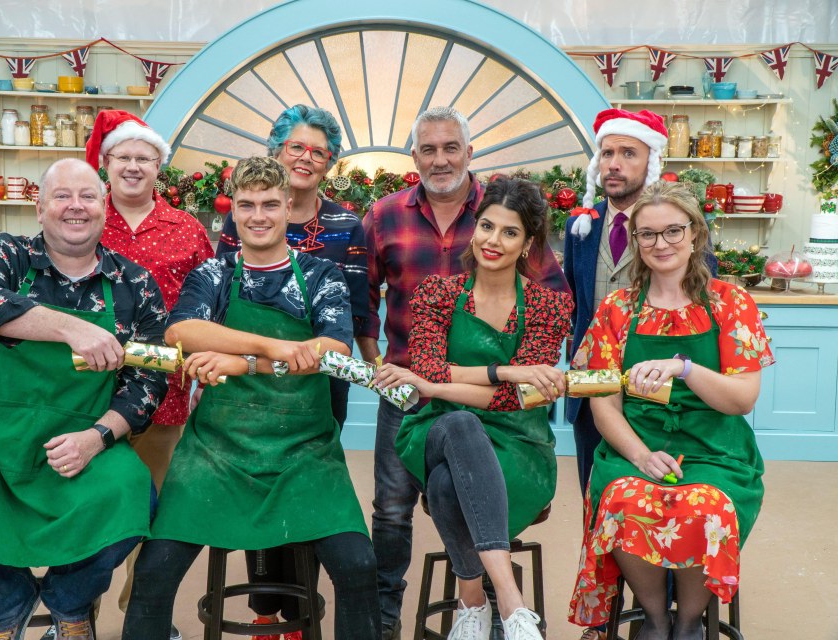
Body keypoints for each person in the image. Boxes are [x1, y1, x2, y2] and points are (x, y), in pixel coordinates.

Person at [0, 158, 168, 640]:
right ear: (39, 209)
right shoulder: (4, 253)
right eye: (62, 196)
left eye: (87, 197)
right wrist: (73, 329)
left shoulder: (135, 283)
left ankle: (69, 600)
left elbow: (150, 379)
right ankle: (7, 599)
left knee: (135, 500)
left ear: (104, 210)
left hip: (78, 439)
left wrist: (97, 437)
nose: (75, 207)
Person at [122, 156, 380, 640]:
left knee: (357, 566)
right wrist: (271, 346)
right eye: (246, 205)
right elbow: (182, 330)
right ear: (233, 213)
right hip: (215, 451)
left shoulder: (321, 275)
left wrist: (239, 361)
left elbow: (334, 349)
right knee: (154, 572)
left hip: (305, 451)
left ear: (287, 208)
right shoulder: (215, 274)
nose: (258, 215)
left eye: (268, 204)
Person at [359, 106, 568, 638]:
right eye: (428, 149)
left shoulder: (534, 277)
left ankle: (475, 604)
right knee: (391, 508)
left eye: (451, 147)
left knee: (451, 483)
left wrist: (455, 380)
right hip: (414, 399)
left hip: (507, 432)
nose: (440, 158)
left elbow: (535, 375)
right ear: (414, 157)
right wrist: (510, 373)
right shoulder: (388, 220)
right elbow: (369, 305)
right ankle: (503, 611)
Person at [567, 181, 773, 640]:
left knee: (708, 506)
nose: (661, 244)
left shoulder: (730, 304)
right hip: (634, 447)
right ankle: (655, 619)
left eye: (673, 231)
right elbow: (604, 406)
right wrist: (641, 457)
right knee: (623, 499)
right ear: (636, 242)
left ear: (696, 234)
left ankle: (688, 623)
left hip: (715, 449)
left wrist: (685, 368)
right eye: (648, 234)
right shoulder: (615, 310)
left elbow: (742, 398)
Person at [216, 104, 370, 638]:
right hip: (247, 382)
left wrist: (358, 361)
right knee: (256, 482)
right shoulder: (238, 219)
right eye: (296, 147)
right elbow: (220, 301)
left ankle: (303, 610)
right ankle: (266, 608)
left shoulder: (346, 225)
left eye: (319, 151)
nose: (306, 157)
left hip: (316, 379)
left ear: (329, 164)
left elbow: (354, 309)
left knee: (307, 485)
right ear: (278, 151)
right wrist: (254, 357)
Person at [82, 109, 213, 640]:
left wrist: (202, 377)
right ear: (106, 163)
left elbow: (210, 311)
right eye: (124, 157)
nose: (134, 167)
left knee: (157, 511)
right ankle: (77, 617)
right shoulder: (83, 216)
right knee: (88, 508)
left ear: (160, 167)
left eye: (145, 158)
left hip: (168, 397)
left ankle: (146, 616)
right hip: (89, 390)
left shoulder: (188, 230)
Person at [563, 108, 670, 501]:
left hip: (655, 386)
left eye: (628, 153)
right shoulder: (581, 228)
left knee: (654, 502)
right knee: (594, 496)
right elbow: (574, 304)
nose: (614, 164)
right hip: (592, 384)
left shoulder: (676, 226)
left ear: (651, 161)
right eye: (607, 154)